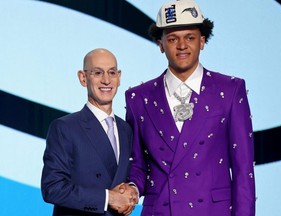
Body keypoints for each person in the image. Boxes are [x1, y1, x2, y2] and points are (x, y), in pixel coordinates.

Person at [125, 0, 256, 215]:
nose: (182, 45)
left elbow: (244, 171)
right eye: (173, 39)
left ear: (202, 41)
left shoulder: (230, 90)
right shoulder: (138, 98)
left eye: (190, 38)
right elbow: (137, 165)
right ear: (160, 44)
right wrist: (130, 189)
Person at [41, 48, 138, 216]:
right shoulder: (65, 127)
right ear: (83, 78)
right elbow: (53, 188)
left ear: (119, 77)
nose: (106, 80)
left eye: (112, 72)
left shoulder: (126, 129)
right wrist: (108, 198)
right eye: (98, 73)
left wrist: (131, 192)